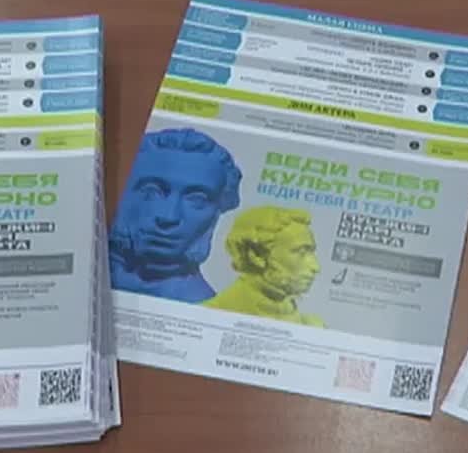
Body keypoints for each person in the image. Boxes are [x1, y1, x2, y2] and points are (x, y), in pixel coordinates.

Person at [110, 128, 242, 302]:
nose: (168, 217)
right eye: (152, 191)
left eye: (197, 199)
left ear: (217, 212)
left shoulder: (203, 305)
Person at [203, 206, 324, 327]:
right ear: (257, 255)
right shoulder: (210, 314)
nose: (316, 267)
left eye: (311, 252)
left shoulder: (312, 325)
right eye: (301, 252)